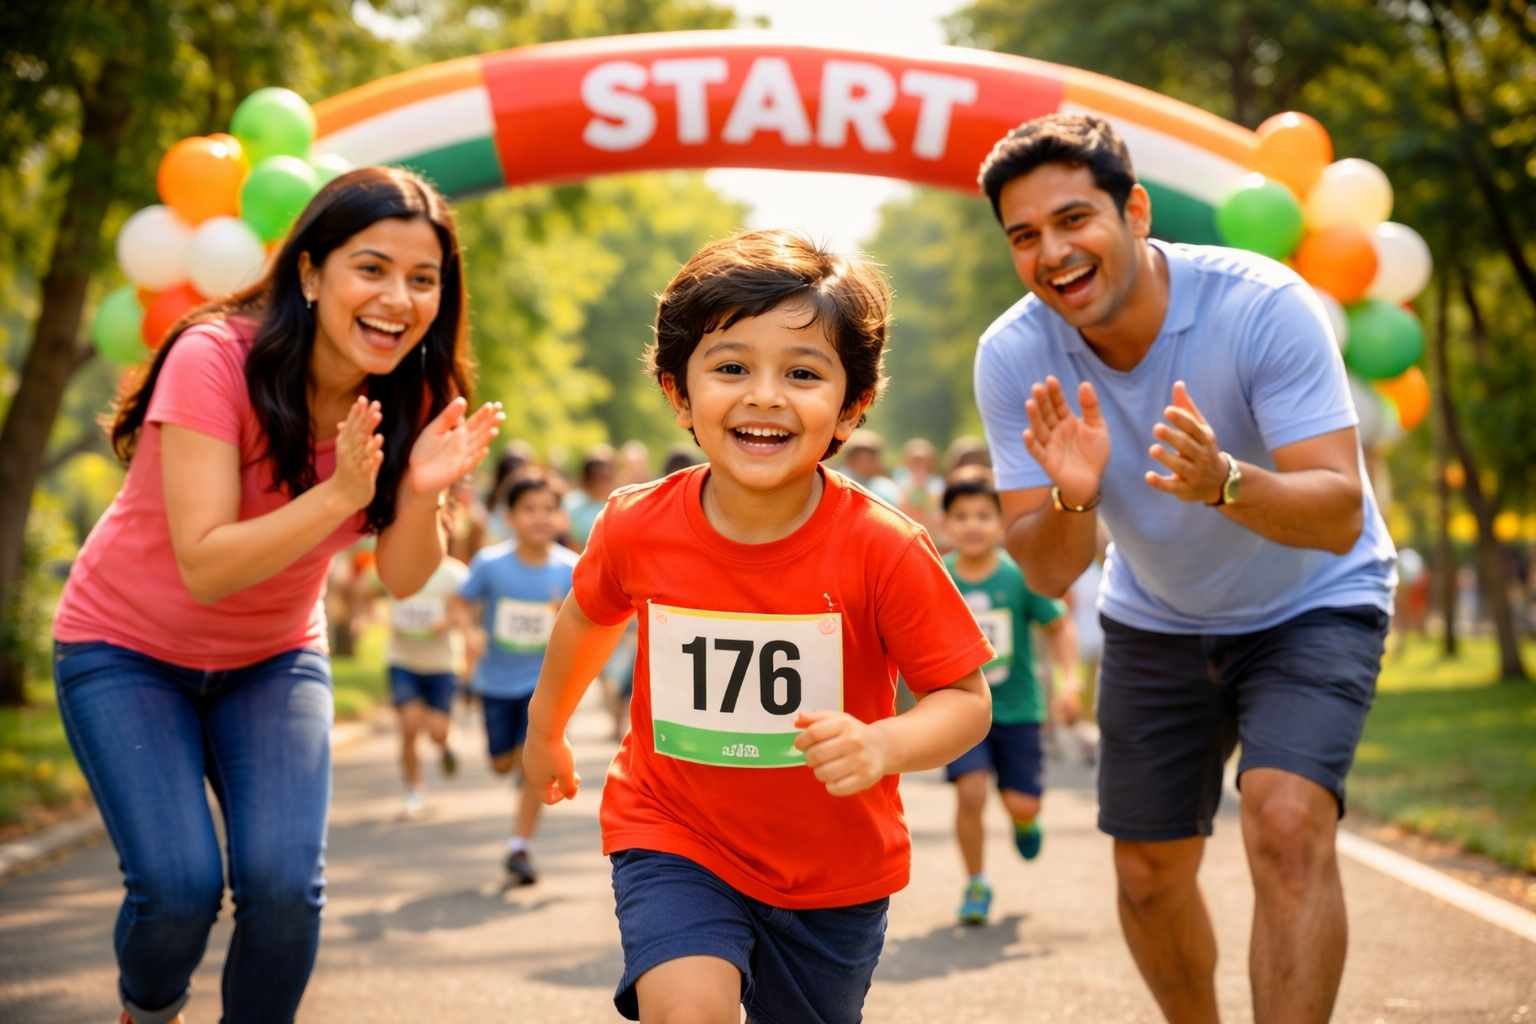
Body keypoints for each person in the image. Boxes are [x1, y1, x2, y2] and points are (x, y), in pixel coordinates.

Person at [51, 166, 502, 1024]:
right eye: (371, 268)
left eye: (423, 279)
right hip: (124, 651)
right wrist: (338, 497)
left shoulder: (413, 393)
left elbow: (407, 576)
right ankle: (148, 1011)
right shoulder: (213, 357)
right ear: (309, 272)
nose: (398, 299)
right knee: (179, 887)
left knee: (284, 889)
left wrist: (418, 496)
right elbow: (207, 564)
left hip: (271, 659)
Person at [972, 114, 1396, 1023]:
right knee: (1148, 874)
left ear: (1135, 208)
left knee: (1285, 823)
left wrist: (1226, 483)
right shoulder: (1014, 356)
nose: (1053, 252)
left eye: (1074, 219)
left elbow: (1337, 512)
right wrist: (1076, 499)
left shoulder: (1261, 305)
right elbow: (1046, 573)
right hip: (1159, 613)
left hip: (1313, 599)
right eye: (1024, 237)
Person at [522, 229, 993, 1024]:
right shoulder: (637, 526)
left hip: (834, 872)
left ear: (851, 408)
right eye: (731, 366)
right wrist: (546, 727)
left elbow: (963, 697)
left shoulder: (884, 546)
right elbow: (587, 617)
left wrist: (883, 745)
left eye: (803, 374)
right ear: (679, 392)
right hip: (675, 832)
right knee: (689, 1009)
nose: (765, 396)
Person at [940, 473, 1080, 925]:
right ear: (946, 524)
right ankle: (975, 883)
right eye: (961, 517)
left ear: (1001, 523)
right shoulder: (936, 575)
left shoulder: (1018, 577)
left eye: (983, 516)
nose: (972, 526)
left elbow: (1058, 627)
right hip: (959, 710)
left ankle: (1023, 820)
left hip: (1018, 711)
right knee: (971, 792)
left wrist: (1070, 683)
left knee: (1022, 802)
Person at [455, 474, 577, 887]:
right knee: (501, 762)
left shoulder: (570, 570)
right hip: (495, 683)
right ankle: (513, 768)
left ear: (560, 517)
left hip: (543, 687)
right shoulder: (490, 564)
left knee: (533, 767)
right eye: (529, 509)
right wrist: (469, 634)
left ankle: (519, 846)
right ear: (510, 517)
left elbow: (590, 622)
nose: (540, 518)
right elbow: (461, 602)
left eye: (548, 509)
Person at [385, 550, 471, 818]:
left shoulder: (454, 574)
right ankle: (414, 791)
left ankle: (445, 744)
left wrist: (447, 622)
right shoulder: (394, 564)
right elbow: (369, 591)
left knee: (436, 731)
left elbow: (464, 614)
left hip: (441, 664)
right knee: (409, 726)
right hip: (402, 660)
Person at [564, 445, 616, 552]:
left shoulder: (618, 504)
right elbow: (568, 540)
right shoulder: (572, 504)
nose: (602, 482)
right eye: (598, 476)